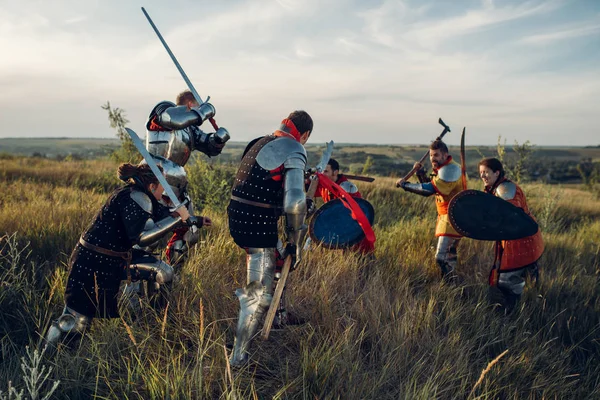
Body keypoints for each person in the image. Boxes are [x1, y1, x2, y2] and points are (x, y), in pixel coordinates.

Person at [45, 163, 201, 345]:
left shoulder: (140, 195)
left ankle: (155, 322)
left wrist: (188, 219)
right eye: (161, 186)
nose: (163, 192)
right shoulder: (136, 197)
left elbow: (158, 217)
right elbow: (143, 237)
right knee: (75, 320)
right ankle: (46, 357)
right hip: (92, 261)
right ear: (152, 186)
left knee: (163, 272)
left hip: (112, 258)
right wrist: (177, 221)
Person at [227, 110, 313, 367]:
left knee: (277, 264)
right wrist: (295, 244)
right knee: (258, 295)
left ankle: (279, 316)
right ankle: (238, 357)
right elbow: (295, 203)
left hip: (238, 216)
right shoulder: (294, 148)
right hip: (258, 226)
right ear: (305, 134)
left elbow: (265, 185)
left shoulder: (258, 142)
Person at [145, 90, 229, 267]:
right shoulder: (163, 110)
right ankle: (135, 287)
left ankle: (170, 275)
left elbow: (209, 146)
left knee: (188, 233)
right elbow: (173, 119)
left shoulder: (189, 129)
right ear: (191, 105)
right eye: (197, 107)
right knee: (149, 236)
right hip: (153, 180)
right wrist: (204, 111)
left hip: (177, 186)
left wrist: (219, 139)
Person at [479, 157, 544, 310]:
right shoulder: (498, 188)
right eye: (481, 173)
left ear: (497, 172)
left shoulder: (504, 190)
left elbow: (511, 218)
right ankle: (527, 302)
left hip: (520, 239)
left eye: (486, 172)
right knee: (517, 276)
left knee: (506, 280)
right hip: (519, 238)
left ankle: (513, 310)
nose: (483, 176)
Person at [396, 140, 465, 281]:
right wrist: (420, 173)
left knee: (442, 257)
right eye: (431, 155)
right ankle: (450, 285)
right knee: (447, 257)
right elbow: (431, 184)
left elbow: (429, 190)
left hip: (453, 218)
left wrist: (406, 185)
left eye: (436, 155)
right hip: (446, 217)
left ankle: (453, 284)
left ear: (445, 155)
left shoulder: (451, 170)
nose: (433, 158)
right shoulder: (442, 169)